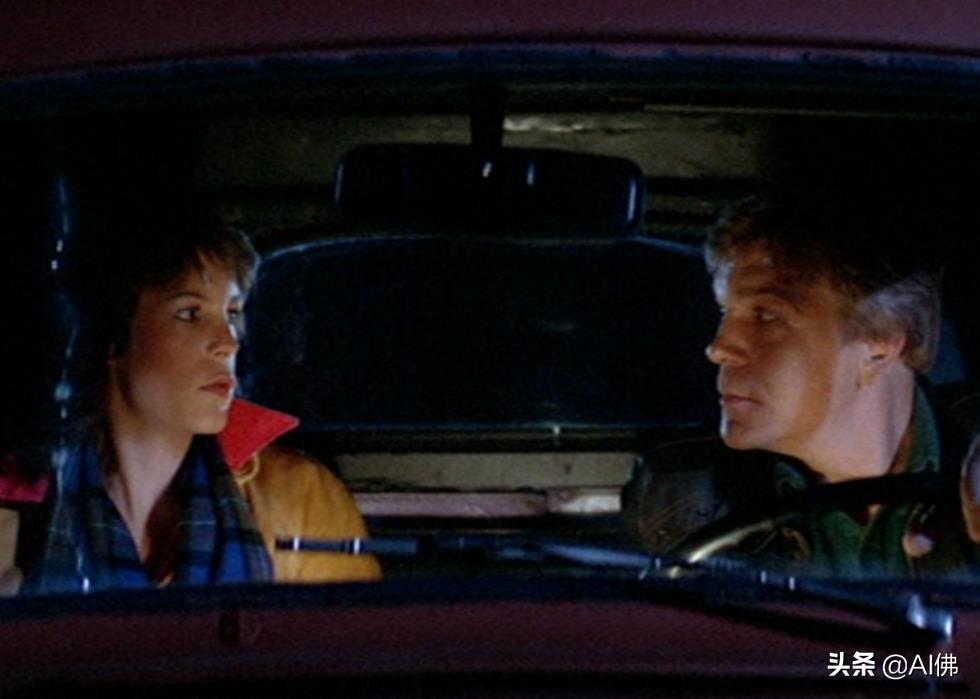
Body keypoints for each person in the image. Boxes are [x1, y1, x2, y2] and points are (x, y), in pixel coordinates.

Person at [0, 203, 380, 593]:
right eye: (189, 314)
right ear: (112, 338)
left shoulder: (298, 494)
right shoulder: (20, 494)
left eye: (232, 314)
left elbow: (347, 630)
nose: (227, 343)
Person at [622, 195, 977, 578]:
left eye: (766, 314)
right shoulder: (684, 497)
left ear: (880, 344)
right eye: (726, 312)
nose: (719, 347)